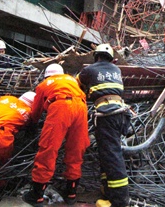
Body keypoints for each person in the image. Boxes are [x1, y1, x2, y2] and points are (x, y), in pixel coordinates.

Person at [23, 64, 90, 206]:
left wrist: (32, 125)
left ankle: (37, 195)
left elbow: (36, 111)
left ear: (47, 76)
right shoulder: (71, 79)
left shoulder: (43, 85)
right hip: (81, 107)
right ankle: (71, 193)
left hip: (61, 106)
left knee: (49, 148)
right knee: (76, 149)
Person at [76, 44, 131, 207]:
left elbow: (76, 85)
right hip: (120, 113)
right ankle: (107, 190)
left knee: (112, 155)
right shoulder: (117, 70)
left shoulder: (89, 70)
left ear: (96, 56)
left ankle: (119, 201)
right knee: (108, 153)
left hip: (106, 114)